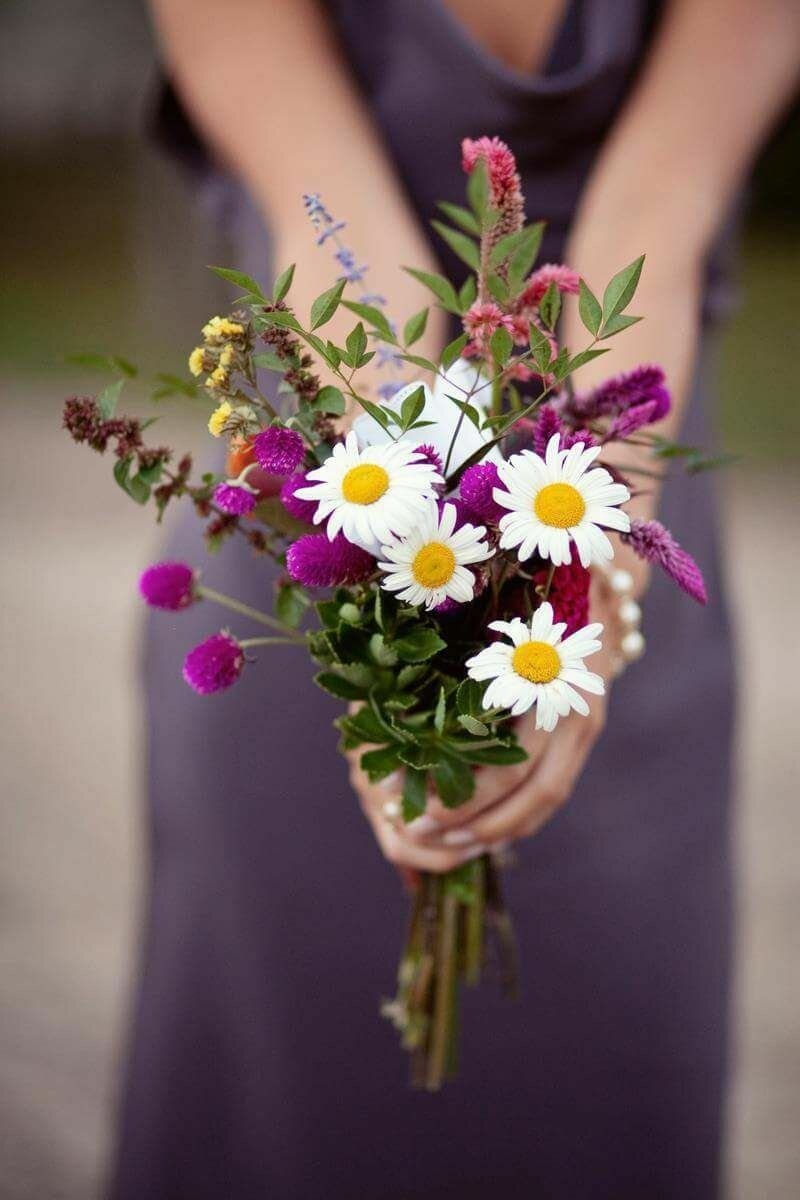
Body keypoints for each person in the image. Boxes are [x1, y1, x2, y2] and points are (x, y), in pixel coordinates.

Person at [111, 3, 798, 1197]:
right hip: (332, 530)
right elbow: (337, 236)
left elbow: (655, 216)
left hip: (607, 525)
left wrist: (586, 590)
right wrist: (410, 559)